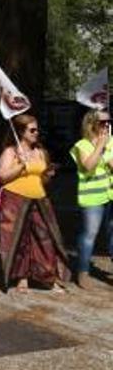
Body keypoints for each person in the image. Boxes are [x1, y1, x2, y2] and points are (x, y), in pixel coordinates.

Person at [0, 114, 70, 293]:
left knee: (45, 239)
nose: (36, 133)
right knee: (18, 240)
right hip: (15, 198)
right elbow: (2, 177)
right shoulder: (11, 151)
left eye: (37, 129)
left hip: (39, 199)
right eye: (32, 130)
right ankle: (22, 278)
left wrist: (48, 175)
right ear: (21, 131)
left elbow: (41, 179)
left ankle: (47, 277)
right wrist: (21, 165)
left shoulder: (40, 152)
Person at [69, 110, 113, 289]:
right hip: (92, 196)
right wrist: (100, 146)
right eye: (103, 122)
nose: (107, 125)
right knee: (89, 235)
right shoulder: (82, 145)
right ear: (91, 123)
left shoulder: (111, 142)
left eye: (109, 121)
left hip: (110, 193)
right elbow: (88, 166)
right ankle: (83, 271)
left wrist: (107, 148)